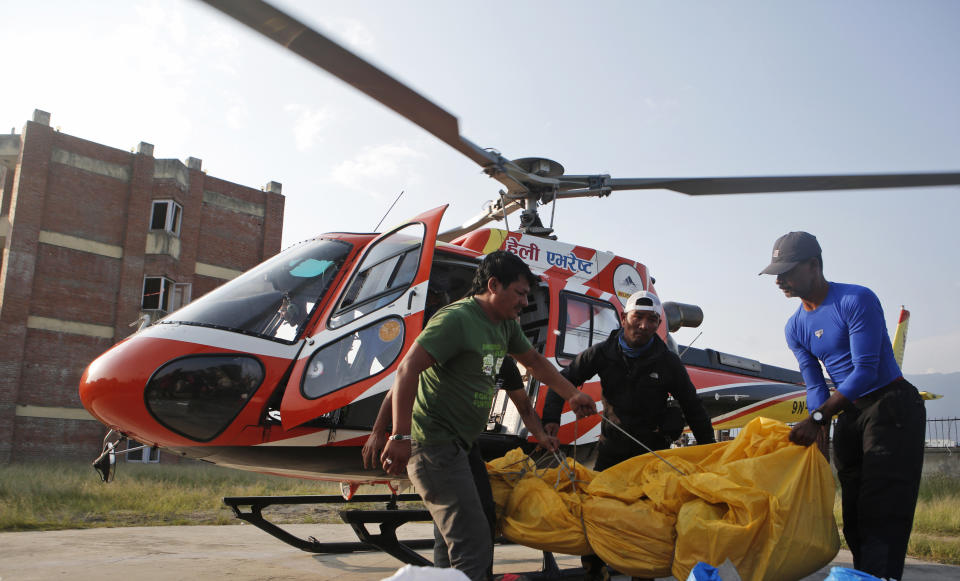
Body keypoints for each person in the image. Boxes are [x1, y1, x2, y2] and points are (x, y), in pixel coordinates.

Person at [377, 250, 597, 581]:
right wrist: (397, 435)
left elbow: (534, 361)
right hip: (434, 444)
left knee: (466, 529)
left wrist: (573, 393)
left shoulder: (504, 326)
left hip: (462, 445)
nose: (525, 302)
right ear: (493, 285)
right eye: (520, 293)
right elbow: (407, 370)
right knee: (474, 540)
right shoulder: (457, 320)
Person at [760, 231, 925, 581]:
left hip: (890, 404)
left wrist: (820, 417)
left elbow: (866, 370)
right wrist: (818, 424)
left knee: (883, 511)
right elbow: (815, 383)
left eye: (787, 271)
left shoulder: (856, 299)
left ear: (814, 265)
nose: (779, 281)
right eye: (776, 273)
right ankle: (863, 575)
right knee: (854, 513)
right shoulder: (795, 327)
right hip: (847, 413)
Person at [542, 290, 716, 581]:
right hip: (612, 449)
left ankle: (641, 576)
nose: (644, 326)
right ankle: (595, 571)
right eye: (638, 317)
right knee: (596, 513)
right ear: (624, 318)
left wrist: (709, 451)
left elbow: (693, 406)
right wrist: (549, 419)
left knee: (646, 525)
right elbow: (565, 379)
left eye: (652, 320)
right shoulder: (603, 352)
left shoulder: (667, 361)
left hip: (652, 454)